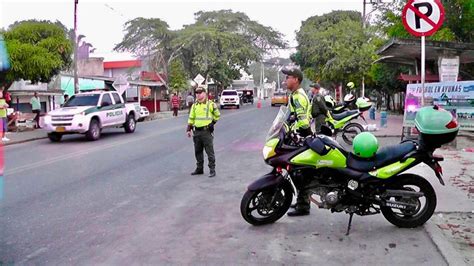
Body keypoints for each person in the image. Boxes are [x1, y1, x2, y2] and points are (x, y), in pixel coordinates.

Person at [282, 67, 312, 216]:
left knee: (299, 173)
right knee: (298, 172)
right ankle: (302, 202)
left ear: (296, 79)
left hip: (299, 138)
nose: (286, 80)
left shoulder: (298, 96)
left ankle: (303, 205)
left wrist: (295, 130)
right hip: (299, 137)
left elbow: (303, 122)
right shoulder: (295, 94)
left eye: (288, 77)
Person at [186, 86, 220, 177]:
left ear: (205, 93)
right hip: (196, 132)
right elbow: (191, 118)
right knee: (198, 151)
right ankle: (199, 168)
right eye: (197, 93)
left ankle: (212, 170)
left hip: (206, 131)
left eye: (200, 93)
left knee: (210, 152)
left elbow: (217, 115)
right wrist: (188, 129)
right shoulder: (194, 105)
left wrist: (212, 123)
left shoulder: (211, 104)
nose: (198, 95)